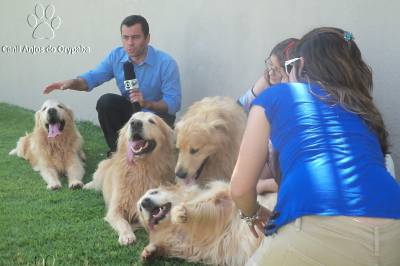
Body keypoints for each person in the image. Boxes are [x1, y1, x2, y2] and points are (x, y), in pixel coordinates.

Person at [230, 27, 400, 265]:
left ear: (301, 64)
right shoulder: (365, 110)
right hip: (394, 232)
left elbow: (239, 188)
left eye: (288, 66)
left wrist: (253, 214)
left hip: (317, 231)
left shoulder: (276, 95)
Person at [44, 15, 181, 156]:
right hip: (133, 112)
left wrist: (147, 103)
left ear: (147, 38)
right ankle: (118, 153)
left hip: (157, 118)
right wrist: (72, 82)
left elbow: (174, 103)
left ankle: (147, 151)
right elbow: (92, 78)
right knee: (106, 102)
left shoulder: (166, 63)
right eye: (125, 37)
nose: (130, 43)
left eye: (135, 37)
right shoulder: (117, 56)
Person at [237, 38, 298, 194]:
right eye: (269, 65)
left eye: (277, 70)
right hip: (270, 157)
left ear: (292, 73)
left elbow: (300, 179)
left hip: (286, 174)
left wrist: (263, 185)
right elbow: (236, 108)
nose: (271, 72)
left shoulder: (298, 104)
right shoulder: (266, 82)